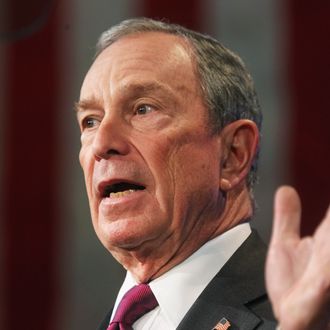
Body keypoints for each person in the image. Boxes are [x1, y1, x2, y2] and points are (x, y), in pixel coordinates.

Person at [75, 18, 330, 330]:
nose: (102, 142)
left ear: (232, 155)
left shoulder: (301, 314)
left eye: (143, 109)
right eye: (90, 121)